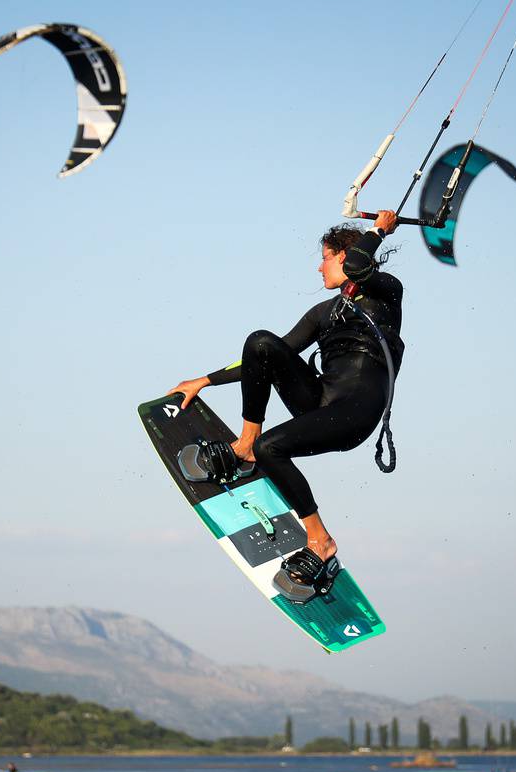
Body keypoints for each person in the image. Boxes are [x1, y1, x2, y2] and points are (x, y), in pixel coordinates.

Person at [168, 211, 405, 600]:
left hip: (356, 412)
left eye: (325, 257)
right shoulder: (325, 312)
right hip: (321, 401)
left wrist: (379, 229)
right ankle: (244, 446)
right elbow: (267, 356)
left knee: (272, 449)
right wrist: (205, 380)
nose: (318, 267)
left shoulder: (387, 292)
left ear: (344, 256)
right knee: (261, 341)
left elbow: (362, 265)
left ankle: (320, 541)